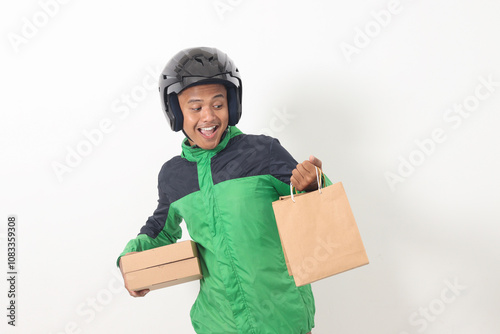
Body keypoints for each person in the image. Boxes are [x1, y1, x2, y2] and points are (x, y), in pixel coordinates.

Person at [117, 47, 329, 334]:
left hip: (282, 317)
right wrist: (131, 261)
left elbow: (314, 211)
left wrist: (314, 185)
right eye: (195, 107)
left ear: (232, 105)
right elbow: (161, 229)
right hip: (219, 322)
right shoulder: (174, 175)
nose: (208, 117)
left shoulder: (262, 152)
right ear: (176, 113)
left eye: (218, 105)